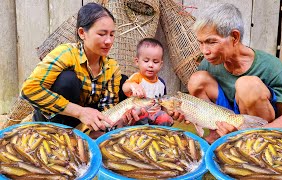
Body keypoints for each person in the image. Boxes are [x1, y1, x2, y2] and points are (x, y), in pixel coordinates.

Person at [186, 3, 282, 143]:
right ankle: (218, 133)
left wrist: (245, 134)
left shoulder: (272, 67)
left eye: (211, 42)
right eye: (201, 43)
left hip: (257, 129)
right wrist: (186, 113)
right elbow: (199, 107)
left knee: (247, 85)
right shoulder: (207, 64)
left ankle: (250, 142)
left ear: (234, 37)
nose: (205, 51)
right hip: (227, 118)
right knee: (197, 79)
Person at [20, 2, 139, 138]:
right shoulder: (66, 53)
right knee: (67, 80)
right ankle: (55, 134)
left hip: (83, 119)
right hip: (57, 116)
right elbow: (29, 89)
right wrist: (79, 112)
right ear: (82, 33)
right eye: (102, 34)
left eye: (112, 35)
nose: (108, 41)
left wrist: (114, 121)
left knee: (123, 80)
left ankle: (85, 133)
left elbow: (108, 107)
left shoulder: (111, 67)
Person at [122, 38, 174, 126]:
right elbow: (125, 88)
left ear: (161, 64)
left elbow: (163, 103)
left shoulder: (161, 83)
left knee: (165, 118)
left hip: (156, 114)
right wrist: (132, 85)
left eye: (155, 62)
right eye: (146, 61)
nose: (150, 65)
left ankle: (159, 134)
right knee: (141, 117)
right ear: (137, 62)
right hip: (140, 113)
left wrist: (168, 113)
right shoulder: (137, 78)